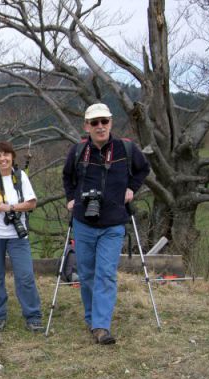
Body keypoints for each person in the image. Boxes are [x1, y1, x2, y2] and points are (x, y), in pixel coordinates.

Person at [62, 103, 150, 345]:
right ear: (86, 126)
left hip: (113, 222)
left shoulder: (126, 148)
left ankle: (102, 326)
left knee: (106, 275)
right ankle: (92, 319)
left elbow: (144, 169)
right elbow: (67, 176)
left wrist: (132, 188)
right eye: (94, 122)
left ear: (111, 122)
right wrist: (71, 199)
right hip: (83, 222)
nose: (100, 126)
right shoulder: (78, 151)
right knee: (88, 274)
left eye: (104, 121)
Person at [0, 141, 43, 332]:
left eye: (6, 155)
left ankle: (33, 316)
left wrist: (10, 208)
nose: (3, 159)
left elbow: (31, 203)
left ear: (12, 156)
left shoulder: (20, 177)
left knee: (25, 276)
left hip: (16, 234)